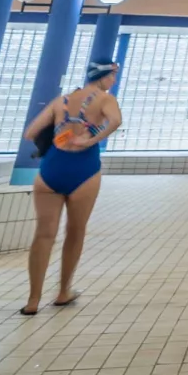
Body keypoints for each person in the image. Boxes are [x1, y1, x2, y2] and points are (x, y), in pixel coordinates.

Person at [21, 61, 122, 314]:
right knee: (75, 232)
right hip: (84, 170)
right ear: (105, 76)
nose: (113, 81)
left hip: (51, 168)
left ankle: (33, 300)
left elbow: (31, 132)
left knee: (43, 234)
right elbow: (115, 122)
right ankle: (63, 291)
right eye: (113, 76)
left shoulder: (61, 100)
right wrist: (90, 139)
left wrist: (61, 137)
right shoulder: (105, 99)